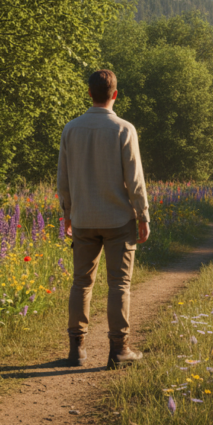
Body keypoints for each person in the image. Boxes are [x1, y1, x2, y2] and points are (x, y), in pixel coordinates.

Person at [57, 69, 150, 368]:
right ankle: (119, 349)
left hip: (83, 218)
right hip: (118, 220)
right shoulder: (125, 129)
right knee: (119, 285)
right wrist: (143, 215)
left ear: (89, 93)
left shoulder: (71, 129)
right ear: (115, 94)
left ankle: (77, 350)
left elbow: (63, 179)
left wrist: (67, 213)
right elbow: (135, 180)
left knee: (81, 283)